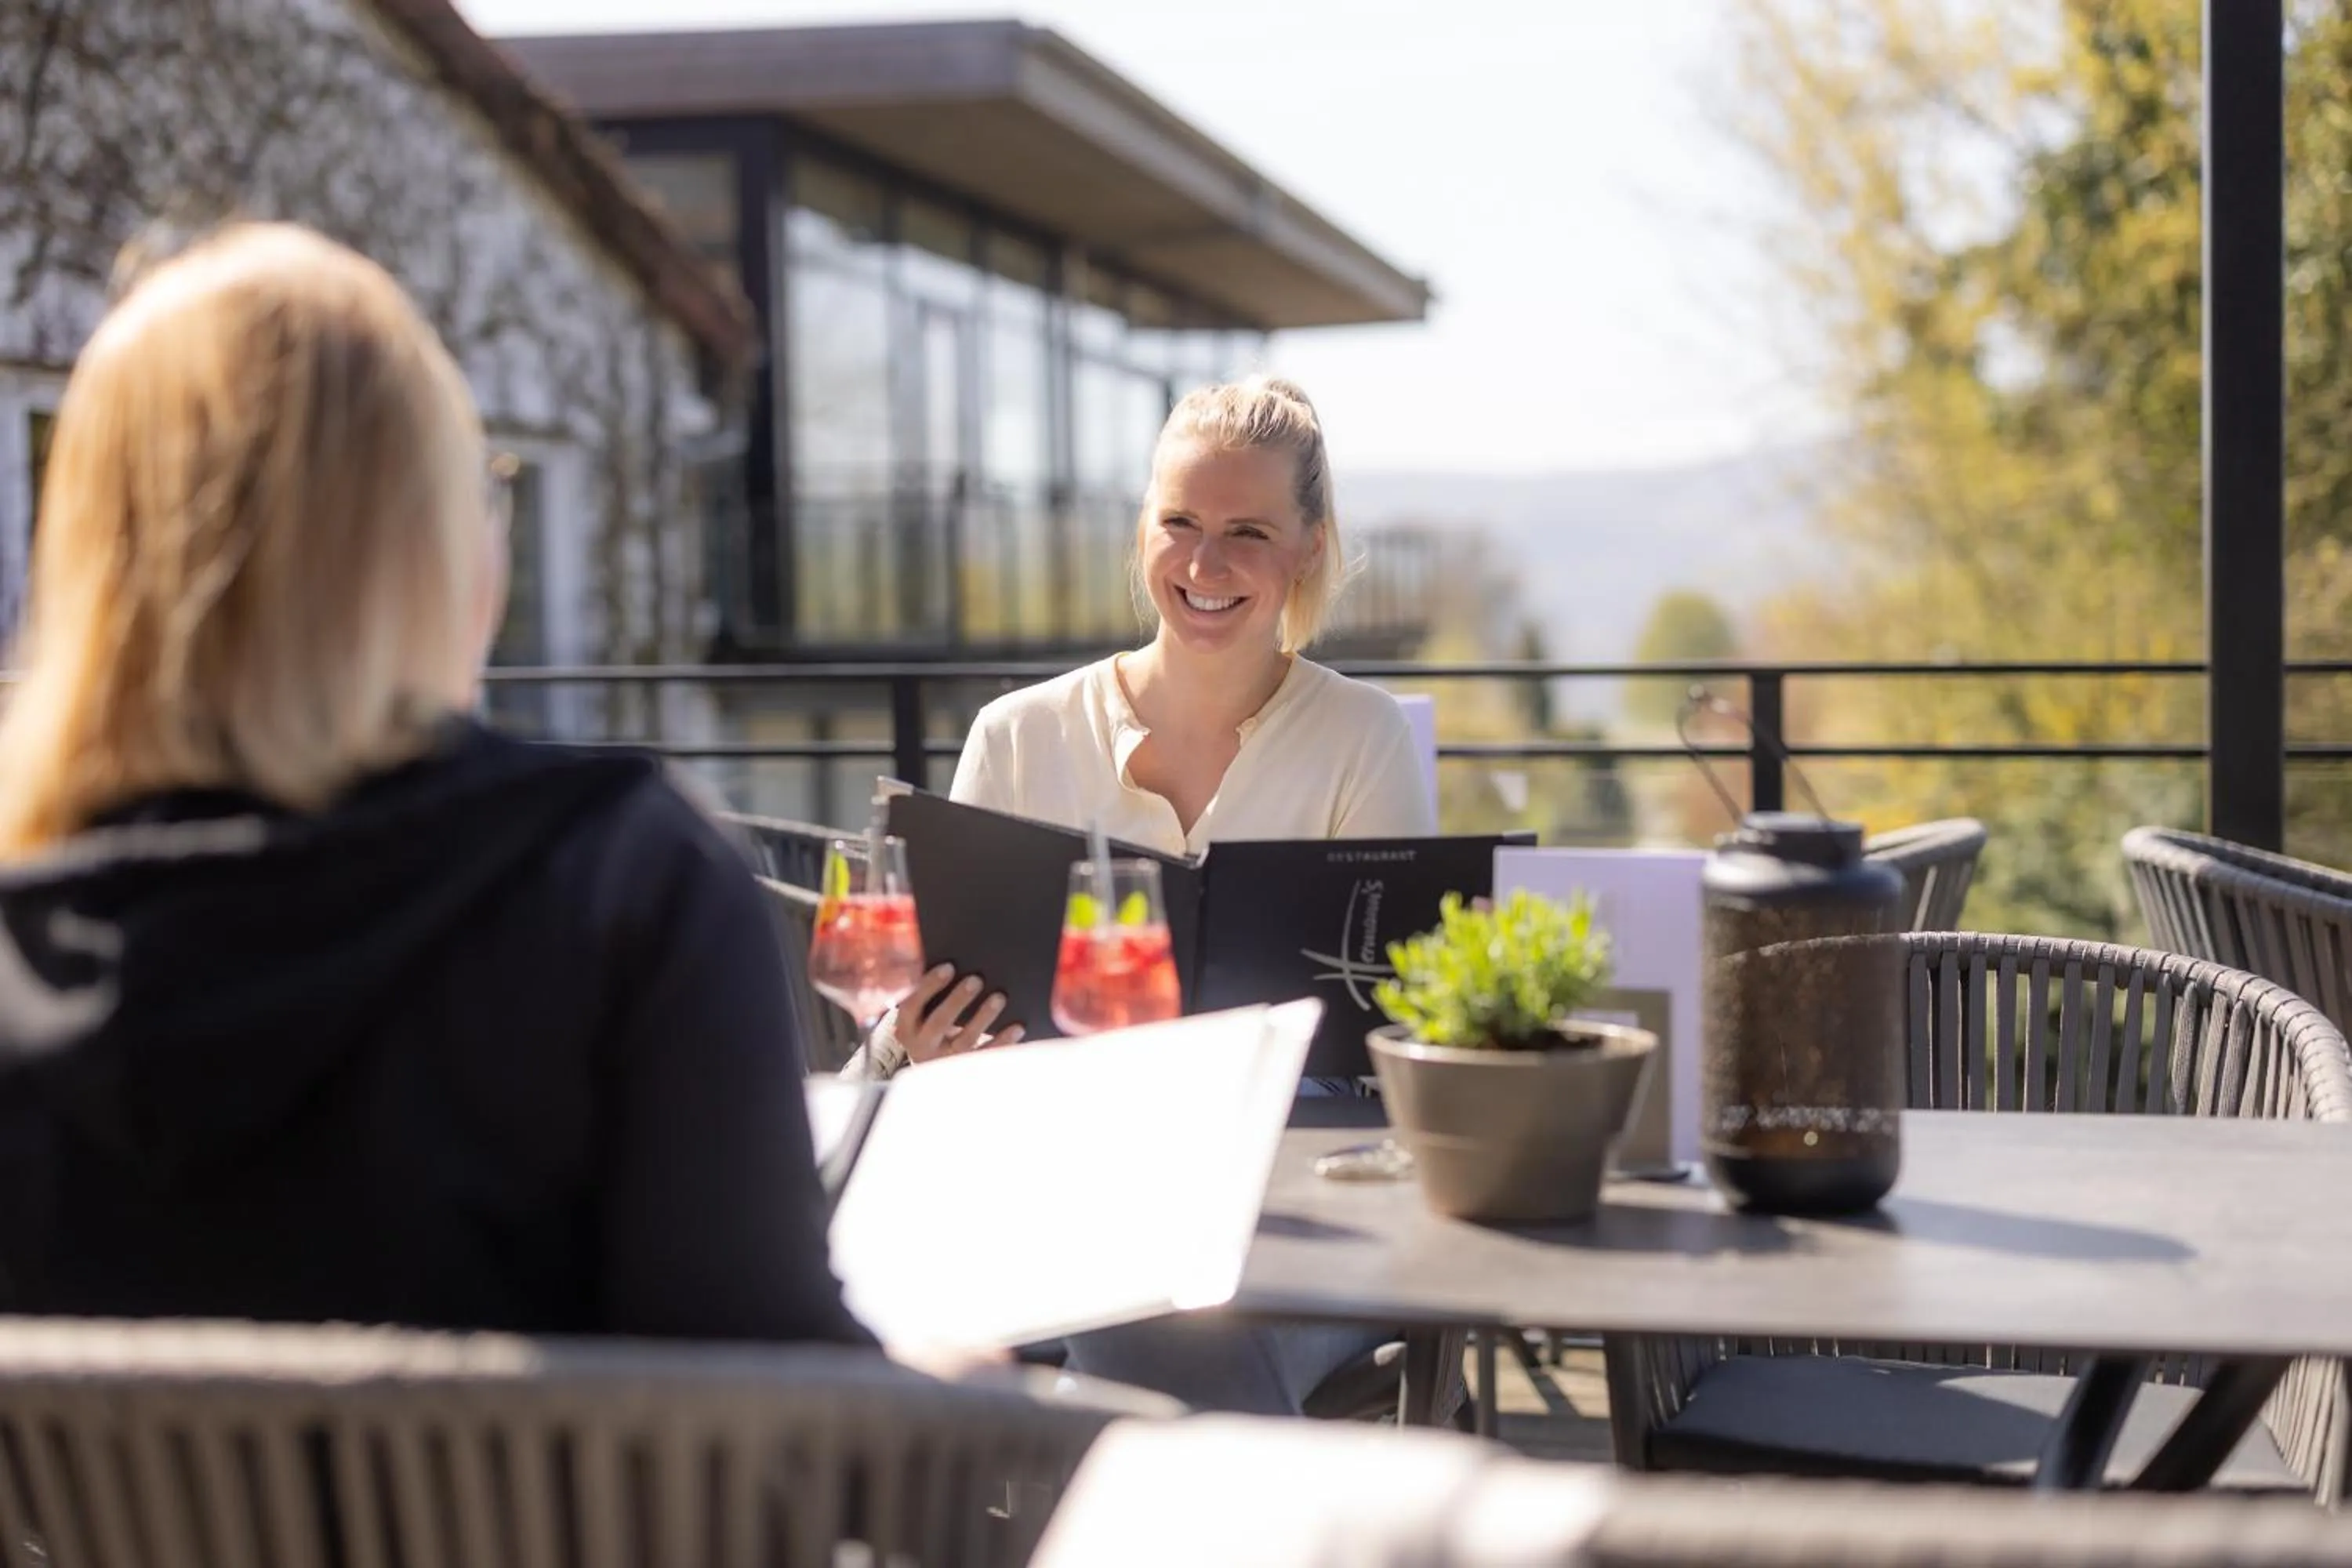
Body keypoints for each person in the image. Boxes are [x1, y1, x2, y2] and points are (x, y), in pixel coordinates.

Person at [0, 223, 870, 1348]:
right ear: (430, 548)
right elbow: (774, 1403)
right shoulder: (624, 891)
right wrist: (958, 1391)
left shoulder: (27, 943)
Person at [852, 376, 1435, 1414]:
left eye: (1248, 532)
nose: (1206, 566)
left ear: (1308, 548)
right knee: (1140, 1295)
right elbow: (910, 1038)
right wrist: (923, 1044)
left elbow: (1403, 1030)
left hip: (1298, 1225)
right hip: (1055, 1200)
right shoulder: (1019, 736)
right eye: (1180, 524)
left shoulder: (1363, 739)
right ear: (1144, 531)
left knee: (1161, 1316)